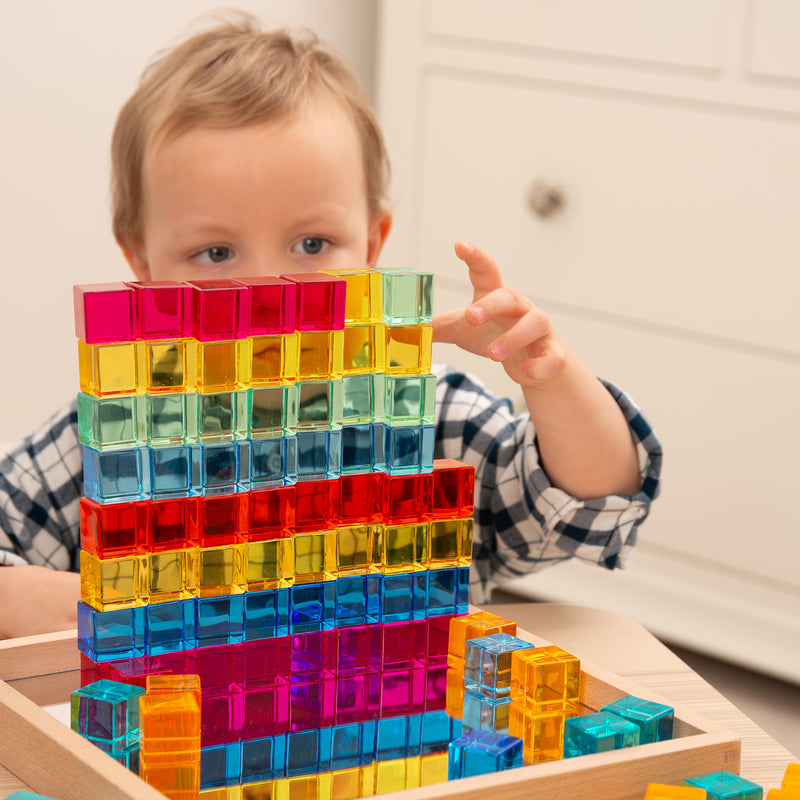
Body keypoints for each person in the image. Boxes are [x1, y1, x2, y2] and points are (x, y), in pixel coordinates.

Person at [0, 15, 661, 638]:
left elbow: (589, 506)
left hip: (409, 745)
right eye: (217, 253)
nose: (266, 294)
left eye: (311, 244)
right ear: (141, 263)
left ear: (372, 247)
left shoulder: (429, 415)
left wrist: (553, 379)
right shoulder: (105, 441)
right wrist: (22, 597)